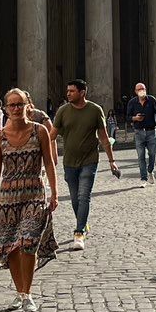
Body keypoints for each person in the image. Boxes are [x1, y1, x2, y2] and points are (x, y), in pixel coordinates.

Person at [0, 88, 58, 312]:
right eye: (12, 105)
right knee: (11, 248)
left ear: (29, 105)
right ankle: (20, 292)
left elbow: (49, 163)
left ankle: (27, 294)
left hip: (34, 194)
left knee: (28, 243)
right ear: (6, 109)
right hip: (8, 198)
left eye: (20, 104)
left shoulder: (40, 132)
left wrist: (54, 193)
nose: (16, 109)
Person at [51, 79, 119, 251]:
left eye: (72, 91)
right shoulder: (63, 111)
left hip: (90, 160)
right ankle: (83, 222)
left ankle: (79, 232)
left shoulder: (95, 110)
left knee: (83, 196)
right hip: (69, 162)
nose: (68, 94)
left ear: (82, 93)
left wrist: (112, 161)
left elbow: (104, 138)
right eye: (68, 91)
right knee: (75, 199)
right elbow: (51, 135)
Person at [126, 83, 156, 186]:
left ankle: (150, 171)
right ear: (135, 91)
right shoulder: (132, 102)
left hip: (151, 131)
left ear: (146, 89)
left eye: (142, 88)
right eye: (139, 89)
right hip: (138, 132)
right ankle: (143, 178)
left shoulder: (151, 100)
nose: (141, 90)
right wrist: (135, 118)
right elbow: (127, 117)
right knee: (140, 156)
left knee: (153, 153)